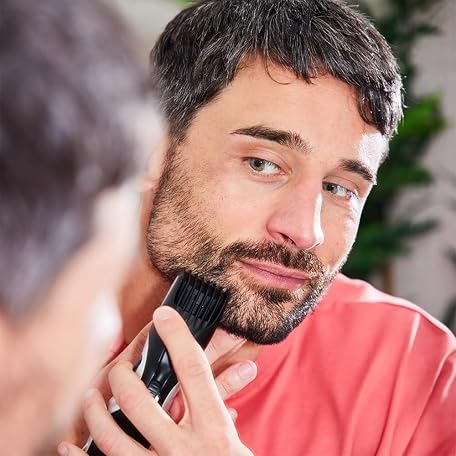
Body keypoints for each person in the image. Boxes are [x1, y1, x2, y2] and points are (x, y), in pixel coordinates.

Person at [64, 0, 456, 454]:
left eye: (340, 189)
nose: (306, 232)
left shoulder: (417, 370)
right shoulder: (19, 323)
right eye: (262, 163)